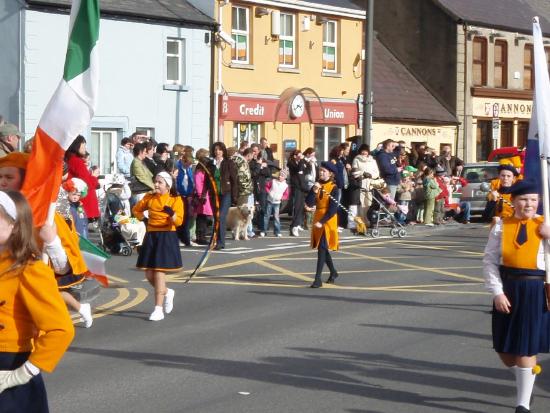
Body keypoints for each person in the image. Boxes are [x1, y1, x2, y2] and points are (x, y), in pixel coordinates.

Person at [0, 191, 75, 412]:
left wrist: (21, 375)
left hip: (10, 368)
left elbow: (61, 330)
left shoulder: (29, 270)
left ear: (15, 225)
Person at [483, 179, 550, 413]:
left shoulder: (546, 224)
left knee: (525, 348)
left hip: (534, 289)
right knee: (504, 349)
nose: (529, 204)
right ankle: (527, 382)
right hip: (507, 288)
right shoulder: (501, 226)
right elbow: (490, 261)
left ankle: (522, 404)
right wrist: (497, 292)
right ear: (513, 201)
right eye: (523, 199)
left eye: (533, 199)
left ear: (539, 202)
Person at [133, 172, 183, 321]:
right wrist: (144, 219)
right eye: (155, 181)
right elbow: (136, 210)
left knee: (159, 273)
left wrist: (172, 215)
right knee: (149, 274)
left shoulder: (175, 199)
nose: (156, 184)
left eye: (160, 182)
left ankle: (158, 309)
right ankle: (167, 292)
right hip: (152, 235)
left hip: (167, 236)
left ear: (168, 185)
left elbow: (179, 221)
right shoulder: (149, 197)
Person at [306, 161, 340, 288]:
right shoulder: (317, 185)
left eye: (324, 171)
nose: (321, 173)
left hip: (328, 220)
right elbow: (309, 203)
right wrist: (314, 190)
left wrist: (322, 222)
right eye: (320, 170)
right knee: (323, 249)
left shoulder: (333, 188)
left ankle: (317, 279)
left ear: (330, 174)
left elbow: (332, 209)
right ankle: (333, 272)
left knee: (322, 248)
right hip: (318, 217)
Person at [65, 135, 100, 222]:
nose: (85, 148)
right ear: (76, 146)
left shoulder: (69, 159)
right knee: (82, 229)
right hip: (84, 203)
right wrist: (94, 178)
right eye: (83, 145)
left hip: (76, 198)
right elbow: (87, 183)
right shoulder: (77, 161)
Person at [211, 142, 238, 250]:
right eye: (216, 150)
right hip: (215, 194)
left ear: (223, 151)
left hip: (226, 193)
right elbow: (208, 180)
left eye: (220, 149)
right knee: (216, 217)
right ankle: (215, 240)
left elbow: (234, 180)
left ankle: (221, 242)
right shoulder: (211, 164)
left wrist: (235, 196)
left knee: (221, 217)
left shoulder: (228, 162)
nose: (217, 152)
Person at [287, 149, 309, 237]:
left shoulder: (301, 162)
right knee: (297, 207)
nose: (300, 157)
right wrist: (301, 161)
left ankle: (297, 224)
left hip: (303, 186)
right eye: (299, 155)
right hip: (296, 187)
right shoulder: (291, 163)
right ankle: (294, 226)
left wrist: (307, 162)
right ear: (295, 156)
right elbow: (299, 169)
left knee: (301, 207)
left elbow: (306, 171)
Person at [262, 169, 289, 237]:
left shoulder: (285, 185)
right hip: (270, 201)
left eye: (282, 176)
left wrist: (281, 198)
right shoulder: (273, 181)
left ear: (285, 177)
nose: (280, 176)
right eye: (279, 175)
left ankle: (277, 231)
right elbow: (267, 186)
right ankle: (264, 231)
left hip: (277, 202)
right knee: (266, 216)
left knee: (276, 217)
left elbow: (286, 195)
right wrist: (269, 192)